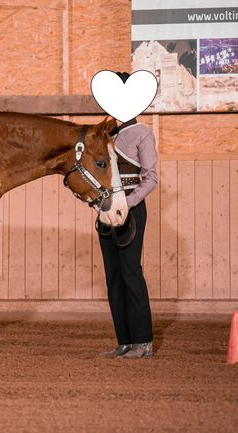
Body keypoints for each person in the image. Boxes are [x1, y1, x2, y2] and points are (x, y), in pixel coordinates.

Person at [99, 73, 159, 359]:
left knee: (131, 272)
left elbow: (150, 178)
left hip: (131, 211)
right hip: (106, 212)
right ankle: (124, 340)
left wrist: (129, 202)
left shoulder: (142, 134)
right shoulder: (105, 136)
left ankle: (143, 341)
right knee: (113, 276)